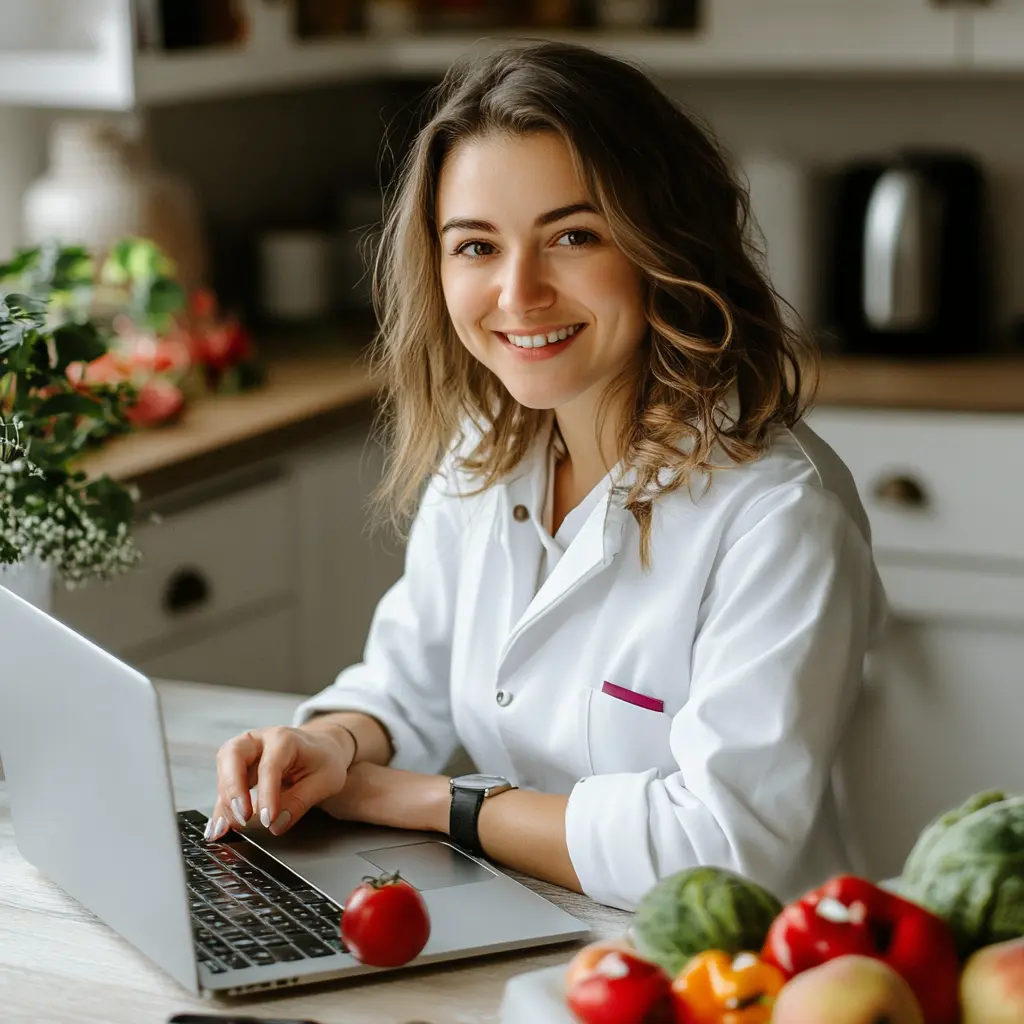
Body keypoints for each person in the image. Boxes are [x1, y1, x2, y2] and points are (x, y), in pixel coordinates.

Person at [206, 40, 887, 910]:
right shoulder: (489, 449)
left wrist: (427, 802)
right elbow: (407, 684)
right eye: (476, 246)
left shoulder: (780, 517)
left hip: (740, 967)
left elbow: (717, 847)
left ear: (662, 245)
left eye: (572, 236)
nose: (518, 293)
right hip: (538, 927)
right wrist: (332, 742)